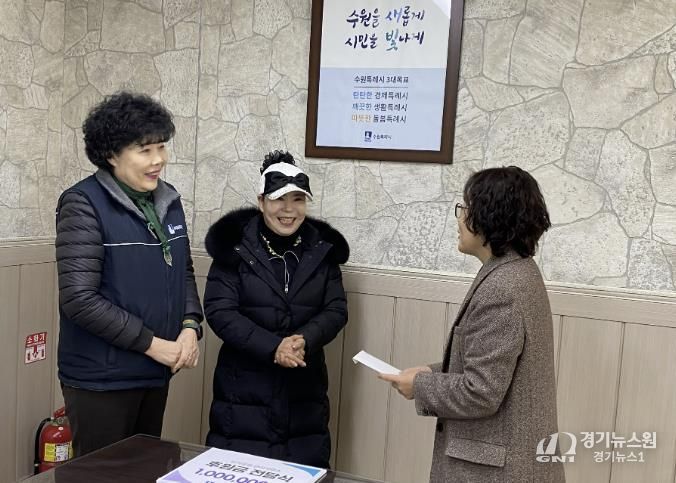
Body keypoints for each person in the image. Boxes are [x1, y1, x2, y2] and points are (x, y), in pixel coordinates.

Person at [381, 166, 565, 482]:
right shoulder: (519, 271)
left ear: (490, 217)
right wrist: (433, 372)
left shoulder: (502, 289)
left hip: (498, 471)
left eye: (465, 208)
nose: (460, 218)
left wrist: (420, 386)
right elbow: (492, 365)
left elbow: (481, 392)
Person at [55, 91, 203, 457]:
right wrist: (154, 345)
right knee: (102, 476)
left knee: (142, 470)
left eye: (161, 147)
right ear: (111, 154)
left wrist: (190, 326)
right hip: (101, 380)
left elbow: (183, 272)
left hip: (155, 371)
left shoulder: (168, 199)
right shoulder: (83, 203)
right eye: (144, 150)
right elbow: (79, 299)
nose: (158, 160)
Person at [203, 150, 349, 468]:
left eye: (298, 199)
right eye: (279, 199)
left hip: (304, 390)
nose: (288, 209)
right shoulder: (235, 247)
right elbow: (219, 311)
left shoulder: (322, 250)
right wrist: (274, 347)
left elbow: (336, 309)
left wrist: (304, 340)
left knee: (303, 468)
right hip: (243, 392)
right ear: (261, 201)